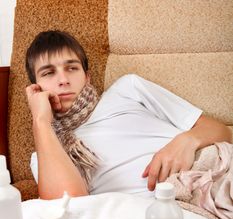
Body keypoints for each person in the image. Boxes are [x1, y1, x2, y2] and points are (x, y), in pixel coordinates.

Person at [26, 30, 231, 200]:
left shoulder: (127, 89)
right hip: (169, 210)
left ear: (87, 78)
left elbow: (221, 131)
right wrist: (41, 121)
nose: (63, 80)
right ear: (35, 88)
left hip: (217, 169)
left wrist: (186, 141)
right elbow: (71, 207)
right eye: (48, 73)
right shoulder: (45, 155)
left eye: (72, 68)